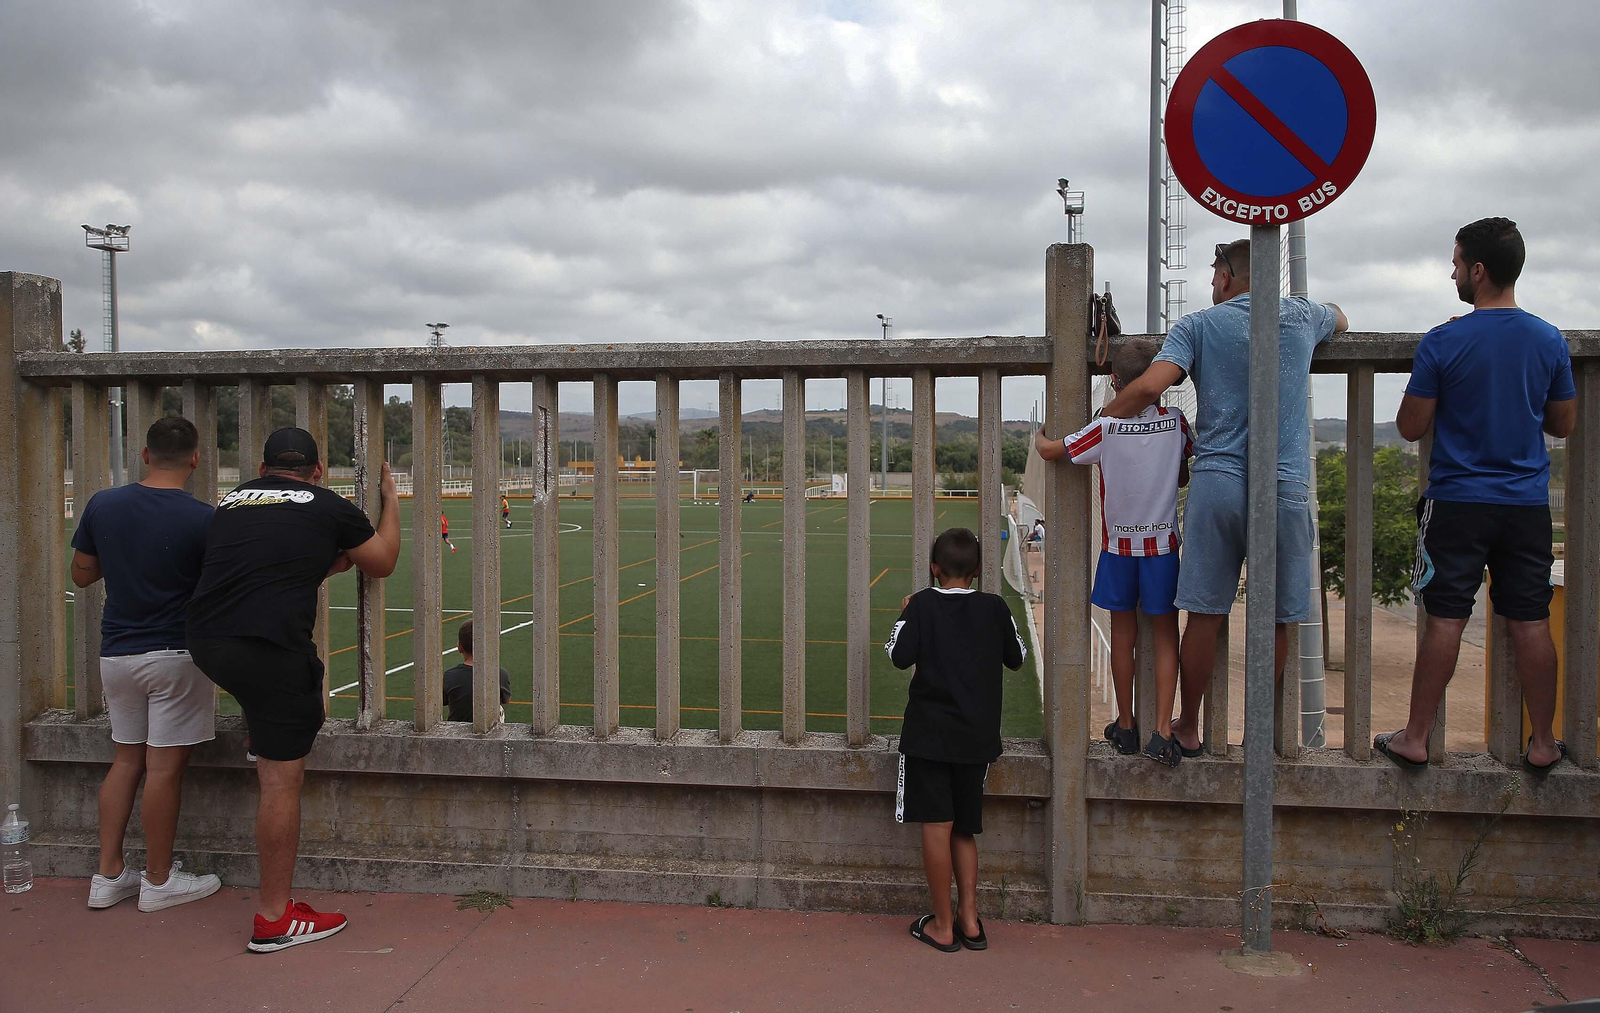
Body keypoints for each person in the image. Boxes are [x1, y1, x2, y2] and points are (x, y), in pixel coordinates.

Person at [1100, 239, 1348, 756]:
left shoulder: (1197, 326)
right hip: (1285, 486)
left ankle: (1189, 725)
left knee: (1204, 614)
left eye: (1215, 275)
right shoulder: (1302, 315)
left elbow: (1148, 388)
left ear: (1229, 277)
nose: (1212, 284)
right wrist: (1320, 313)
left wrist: (1102, 421)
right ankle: (1258, 730)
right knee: (1277, 616)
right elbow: (1341, 318)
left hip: (1218, 483)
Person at [186, 428, 400, 952]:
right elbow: (382, 561)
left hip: (206, 642)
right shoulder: (330, 506)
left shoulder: (231, 502)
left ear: (262, 468)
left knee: (272, 709)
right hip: (270, 649)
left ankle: (262, 734)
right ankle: (273, 918)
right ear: (317, 470)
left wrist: (319, 563)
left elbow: (254, 562)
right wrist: (390, 501)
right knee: (281, 782)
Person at [1379, 218, 1575, 773]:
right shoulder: (1548, 339)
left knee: (1446, 619)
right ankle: (1543, 743)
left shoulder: (1444, 341)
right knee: (1531, 620)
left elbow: (1411, 427)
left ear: (1479, 271)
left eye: (1457, 264)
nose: (1453, 274)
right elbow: (1562, 423)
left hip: (1457, 503)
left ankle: (1416, 738)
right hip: (1526, 506)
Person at [70, 417, 222, 912]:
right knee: (163, 769)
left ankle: (108, 873)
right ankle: (158, 880)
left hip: (118, 652)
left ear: (145, 454)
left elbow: (82, 574)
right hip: (175, 653)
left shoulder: (103, 504)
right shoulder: (203, 518)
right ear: (195, 459)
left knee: (125, 760)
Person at [1034, 338, 1192, 765]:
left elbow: (1051, 451)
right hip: (1162, 547)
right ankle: (1163, 731)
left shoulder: (1104, 427)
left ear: (1114, 382)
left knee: (1123, 635)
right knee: (1165, 635)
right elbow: (1182, 475)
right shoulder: (1177, 423)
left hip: (1118, 547)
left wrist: (1040, 433)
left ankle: (1125, 724)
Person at [885, 527, 1027, 953]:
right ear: (978, 571)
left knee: (936, 824)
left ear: (934, 569)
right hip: (976, 739)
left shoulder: (922, 604)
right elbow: (1017, 657)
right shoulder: (995, 607)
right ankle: (969, 917)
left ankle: (942, 925)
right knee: (964, 828)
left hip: (928, 737)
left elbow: (897, 654)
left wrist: (906, 612)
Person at [442, 619, 512, 723]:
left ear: (459, 647)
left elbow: (443, 700)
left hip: (456, 730)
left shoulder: (450, 676)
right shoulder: (500, 673)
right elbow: (505, 700)